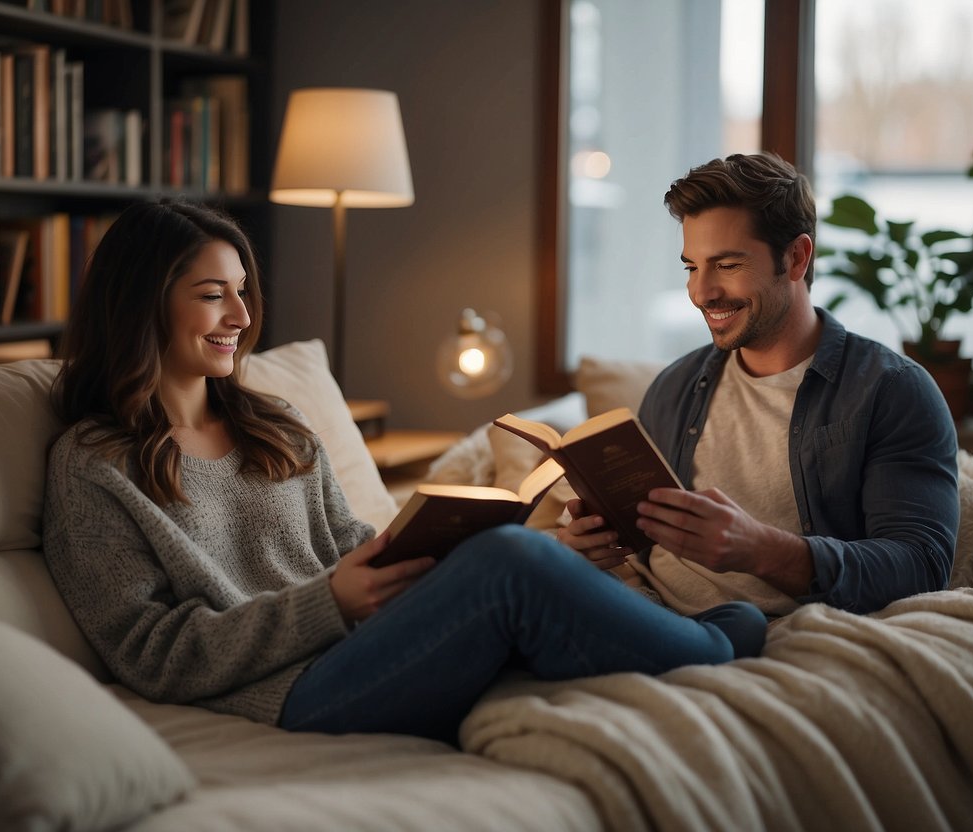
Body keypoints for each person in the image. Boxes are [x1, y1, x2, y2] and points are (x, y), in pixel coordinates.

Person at [41, 198, 767, 747]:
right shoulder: (96, 465)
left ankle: (683, 632)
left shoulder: (276, 426)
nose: (240, 313)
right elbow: (150, 654)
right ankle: (709, 647)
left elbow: (355, 542)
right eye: (210, 294)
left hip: (367, 645)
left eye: (240, 290)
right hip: (296, 692)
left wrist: (421, 559)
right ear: (143, 303)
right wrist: (330, 603)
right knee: (510, 560)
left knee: (512, 550)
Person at [558, 152, 959, 616]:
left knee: (506, 562)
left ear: (796, 257)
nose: (701, 293)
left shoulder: (892, 392)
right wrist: (588, 547)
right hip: (641, 606)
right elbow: (640, 535)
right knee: (512, 558)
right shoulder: (676, 386)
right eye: (691, 267)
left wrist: (760, 549)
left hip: (739, 631)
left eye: (727, 265)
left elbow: (921, 566)